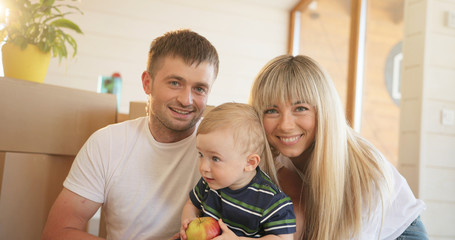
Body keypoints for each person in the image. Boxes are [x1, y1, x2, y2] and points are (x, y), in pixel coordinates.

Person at [41, 29, 220, 240]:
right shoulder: (107, 143)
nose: (186, 100)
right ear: (147, 83)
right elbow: (57, 232)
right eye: (175, 83)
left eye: (199, 89)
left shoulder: (223, 150)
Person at [249, 54, 428, 240]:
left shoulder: (365, 173)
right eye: (271, 110)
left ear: (324, 110)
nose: (285, 125)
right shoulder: (266, 159)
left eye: (300, 108)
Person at [179, 102, 296, 240]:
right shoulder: (209, 183)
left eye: (215, 158)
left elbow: (283, 238)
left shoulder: (271, 201)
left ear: (250, 163)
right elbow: (192, 204)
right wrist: (189, 220)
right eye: (201, 155)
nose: (203, 167)